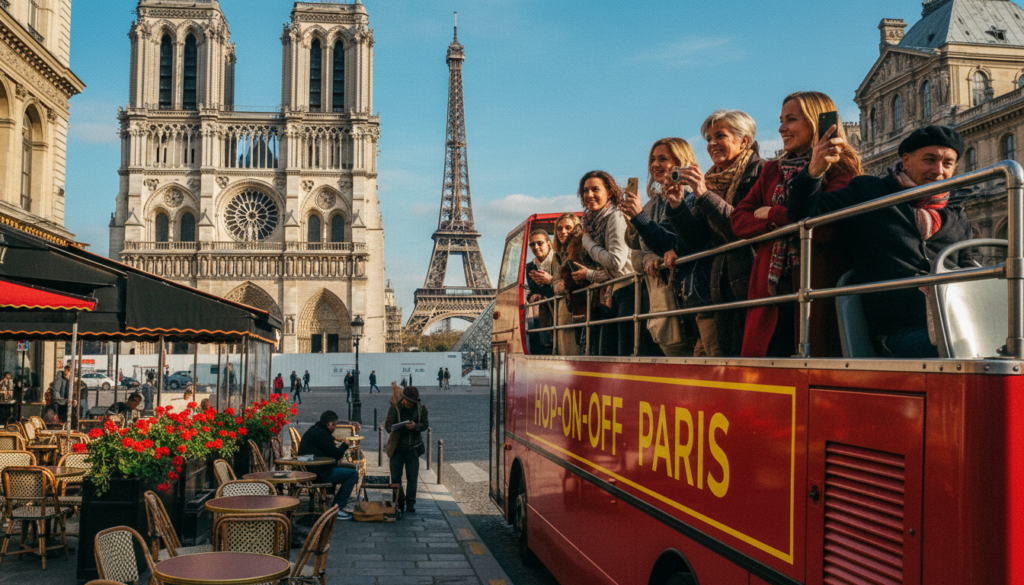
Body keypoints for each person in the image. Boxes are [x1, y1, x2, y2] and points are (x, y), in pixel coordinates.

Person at [786, 125, 975, 357]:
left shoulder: (956, 214)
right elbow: (803, 211)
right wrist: (814, 170)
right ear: (905, 161)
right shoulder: (869, 192)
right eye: (929, 159)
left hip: (957, 323)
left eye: (947, 164)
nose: (938, 171)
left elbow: (969, 271)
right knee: (961, 350)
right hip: (897, 331)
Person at [730, 91, 861, 357]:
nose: (781, 128)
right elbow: (738, 220)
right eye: (781, 120)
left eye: (790, 120)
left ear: (815, 122)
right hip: (771, 292)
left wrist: (773, 214)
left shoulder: (841, 167)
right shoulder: (772, 170)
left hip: (815, 287)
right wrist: (781, 220)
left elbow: (823, 228)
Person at [668, 110, 766, 356]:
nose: (711, 144)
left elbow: (740, 228)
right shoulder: (712, 181)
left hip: (753, 279)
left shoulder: (761, 172)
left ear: (744, 141)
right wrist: (678, 206)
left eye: (719, 136)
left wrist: (702, 194)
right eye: (709, 138)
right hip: (721, 285)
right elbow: (698, 239)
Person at [620, 137, 703, 357]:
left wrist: (640, 219)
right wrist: (647, 257)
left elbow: (686, 239)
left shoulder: (694, 196)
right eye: (652, 159)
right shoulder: (650, 204)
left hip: (690, 297)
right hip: (660, 303)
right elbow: (636, 252)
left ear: (681, 161)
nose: (654, 165)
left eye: (662, 159)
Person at [569, 171, 635, 356]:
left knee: (621, 353)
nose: (589, 195)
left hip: (629, 290)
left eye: (595, 189)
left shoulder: (614, 217)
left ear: (610, 192)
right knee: (609, 352)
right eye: (585, 190)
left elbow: (615, 262)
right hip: (617, 290)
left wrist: (587, 242)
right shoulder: (594, 221)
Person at [298, 410, 361, 520]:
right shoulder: (323, 434)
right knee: (353, 474)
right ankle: (338, 507)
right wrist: (344, 446)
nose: (335, 427)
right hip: (318, 473)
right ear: (329, 424)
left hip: (312, 469)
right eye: (335, 424)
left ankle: (335, 504)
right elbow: (336, 454)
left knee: (347, 468)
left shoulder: (315, 430)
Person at [385, 386, 429, 514]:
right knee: (395, 478)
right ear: (403, 399)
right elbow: (387, 425)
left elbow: (425, 424)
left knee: (412, 478)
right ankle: (399, 502)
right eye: (408, 403)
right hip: (397, 449)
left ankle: (410, 504)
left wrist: (415, 426)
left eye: (412, 404)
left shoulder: (421, 409)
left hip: (413, 449)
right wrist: (393, 427)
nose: (409, 405)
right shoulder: (395, 407)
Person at [548, 213, 582, 355]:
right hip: (565, 307)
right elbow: (555, 281)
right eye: (559, 228)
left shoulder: (583, 248)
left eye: (568, 227)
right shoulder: (557, 255)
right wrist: (560, 286)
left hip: (580, 303)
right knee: (566, 349)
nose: (563, 232)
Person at [525, 229, 556, 355]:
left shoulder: (559, 260)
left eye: (540, 243)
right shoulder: (530, 266)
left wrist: (551, 280)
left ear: (549, 244)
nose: (536, 247)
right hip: (546, 310)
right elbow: (533, 291)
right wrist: (533, 296)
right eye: (532, 244)